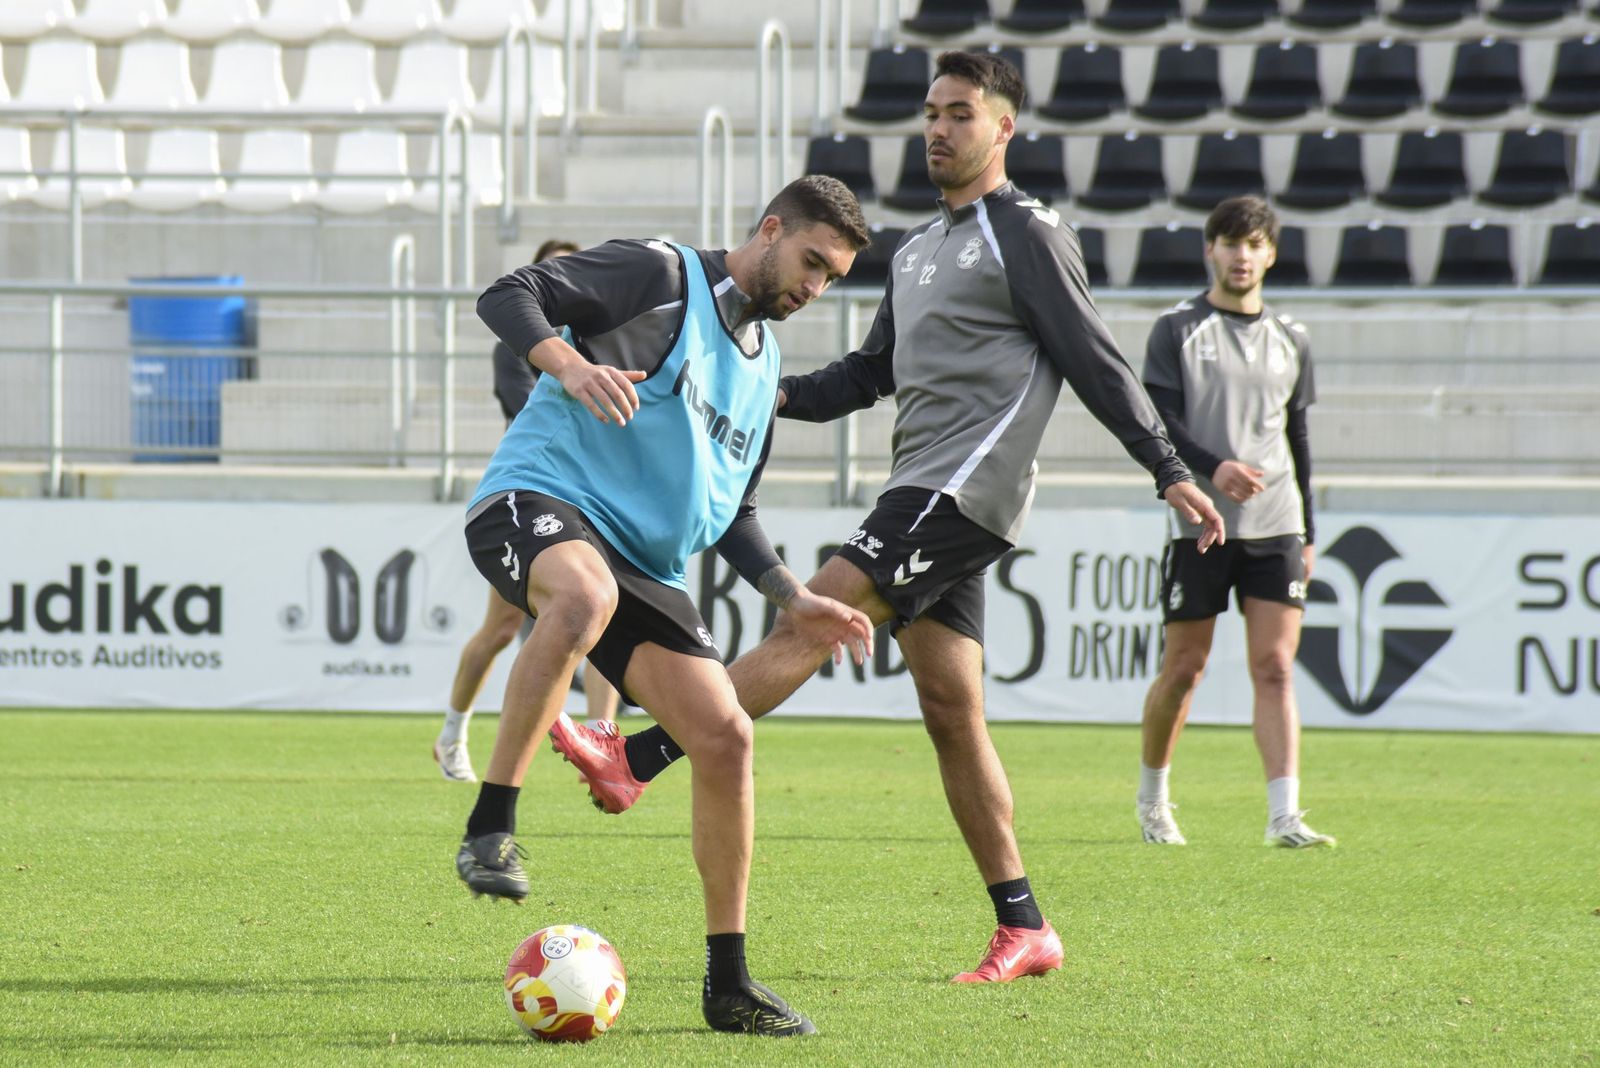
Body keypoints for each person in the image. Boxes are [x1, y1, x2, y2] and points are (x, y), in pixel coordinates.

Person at [546, 50, 1225, 984]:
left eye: (961, 113)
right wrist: (759, 390)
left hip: (964, 489)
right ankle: (1026, 926)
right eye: (932, 112)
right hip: (924, 486)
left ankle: (640, 755)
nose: (939, 128)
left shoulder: (1027, 233)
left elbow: (1094, 358)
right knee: (951, 710)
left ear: (1003, 130)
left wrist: (1167, 468)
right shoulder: (913, 250)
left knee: (814, 613)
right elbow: (867, 377)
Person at [455, 175, 877, 1037]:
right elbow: (508, 294)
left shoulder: (763, 374)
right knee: (584, 594)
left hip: (645, 564)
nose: (815, 287)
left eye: (831, 278)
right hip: (537, 497)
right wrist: (570, 364)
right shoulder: (663, 272)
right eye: (811, 262)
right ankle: (490, 824)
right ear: (770, 230)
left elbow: (735, 514)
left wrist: (796, 597)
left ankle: (729, 984)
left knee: (726, 736)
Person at [1133, 195, 1334, 850]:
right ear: (1210, 251)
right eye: (1230, 243)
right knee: (1184, 669)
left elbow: (1299, 437)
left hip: (1277, 524)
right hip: (1202, 523)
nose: (1241, 256)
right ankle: (1153, 800)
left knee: (1275, 667)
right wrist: (1212, 469)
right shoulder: (1177, 329)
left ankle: (1284, 817)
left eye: (1254, 245)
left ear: (1270, 255)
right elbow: (1160, 424)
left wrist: (1309, 532)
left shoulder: (1293, 338)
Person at [433, 239, 622, 784]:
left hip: (590, 495)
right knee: (499, 630)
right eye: (552, 267)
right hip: (531, 495)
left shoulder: (598, 339)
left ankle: (603, 746)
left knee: (604, 620)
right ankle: (452, 735)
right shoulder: (517, 344)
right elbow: (531, 413)